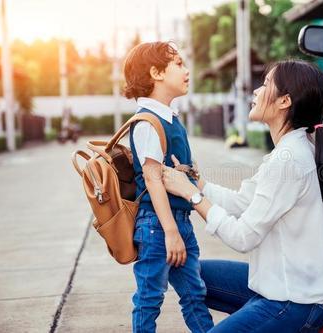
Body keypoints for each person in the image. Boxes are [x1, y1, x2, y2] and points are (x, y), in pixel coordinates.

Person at [163, 59, 323, 332]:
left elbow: (244, 236)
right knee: (188, 271)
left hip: (295, 302)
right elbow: (243, 202)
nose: (256, 92)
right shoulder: (286, 152)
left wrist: (191, 196)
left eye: (266, 85)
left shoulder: (289, 159)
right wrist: (198, 184)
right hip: (276, 286)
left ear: (285, 102)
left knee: (189, 271)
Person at [123, 41, 214, 333]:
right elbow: (153, 178)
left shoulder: (169, 118)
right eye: (179, 64)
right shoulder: (148, 121)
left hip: (179, 223)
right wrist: (171, 233)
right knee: (149, 299)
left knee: (194, 295)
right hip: (157, 227)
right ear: (156, 73)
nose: (187, 70)